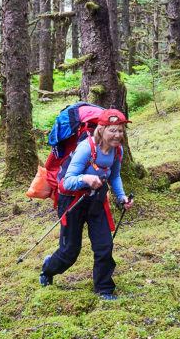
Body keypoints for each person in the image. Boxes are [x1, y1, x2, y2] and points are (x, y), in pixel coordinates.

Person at [40, 108, 134, 300]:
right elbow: (65, 183)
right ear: (101, 129)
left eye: (121, 130)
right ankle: (48, 269)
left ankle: (104, 289)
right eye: (112, 130)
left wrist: (122, 197)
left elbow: (114, 176)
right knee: (70, 251)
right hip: (72, 201)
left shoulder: (118, 151)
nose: (118, 135)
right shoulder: (86, 148)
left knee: (104, 246)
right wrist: (86, 179)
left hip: (96, 200)